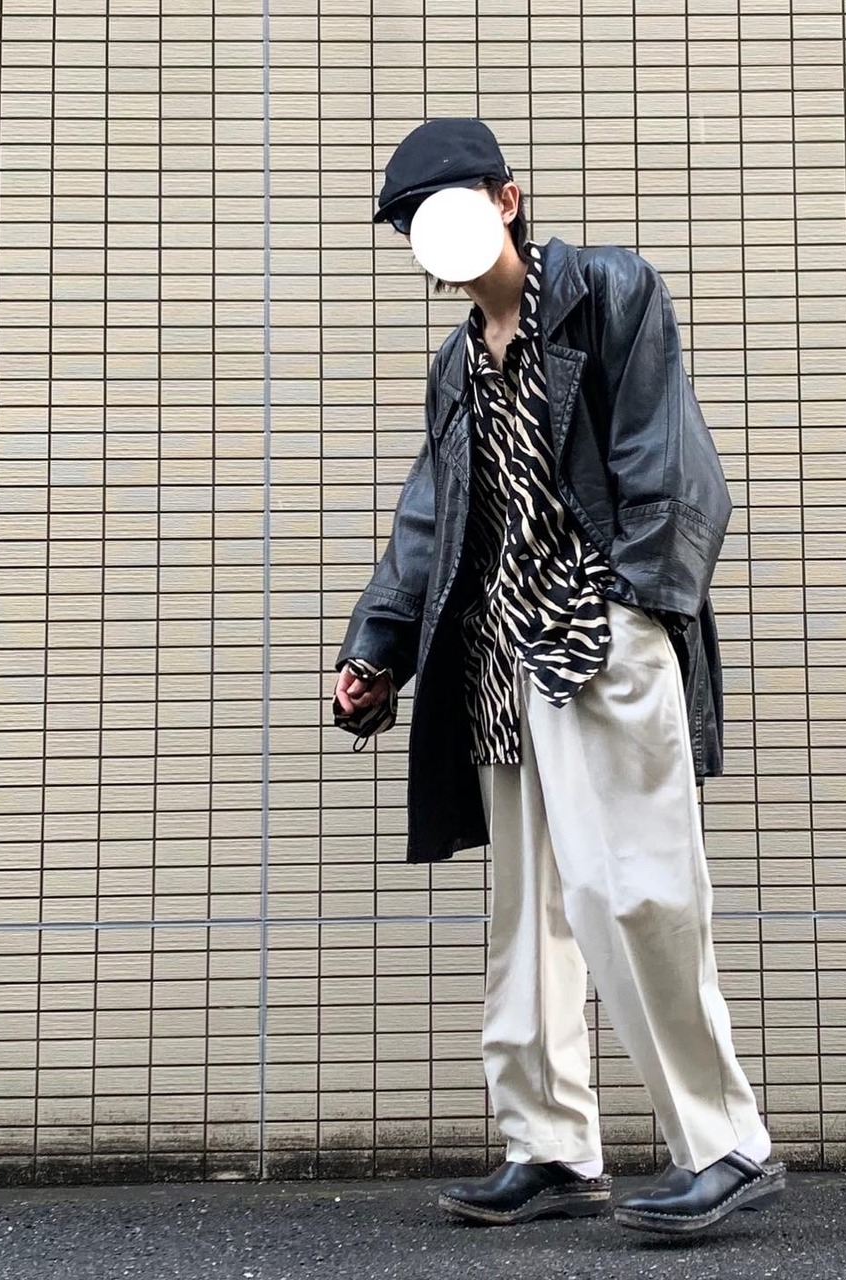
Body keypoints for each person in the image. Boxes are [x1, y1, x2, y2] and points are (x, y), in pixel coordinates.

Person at [331, 116, 784, 1236]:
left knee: (635, 889)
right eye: (412, 224)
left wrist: (632, 607)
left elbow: (673, 466)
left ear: (507, 198)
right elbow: (431, 519)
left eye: (444, 208)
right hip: (498, 661)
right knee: (527, 915)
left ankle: (724, 1143)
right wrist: (377, 647)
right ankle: (549, 1147)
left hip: (597, 634)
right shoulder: (457, 365)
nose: (431, 236)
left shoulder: (608, 292)